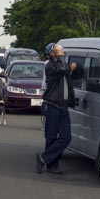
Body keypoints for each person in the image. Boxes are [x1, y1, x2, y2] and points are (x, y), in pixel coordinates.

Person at [37, 42, 83, 175]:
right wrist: (63, 60)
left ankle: (43, 158)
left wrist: (75, 67)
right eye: (58, 50)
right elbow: (61, 70)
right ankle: (52, 165)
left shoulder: (64, 66)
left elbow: (73, 73)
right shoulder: (49, 66)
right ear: (52, 53)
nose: (62, 52)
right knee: (51, 136)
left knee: (66, 137)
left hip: (63, 105)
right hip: (52, 104)